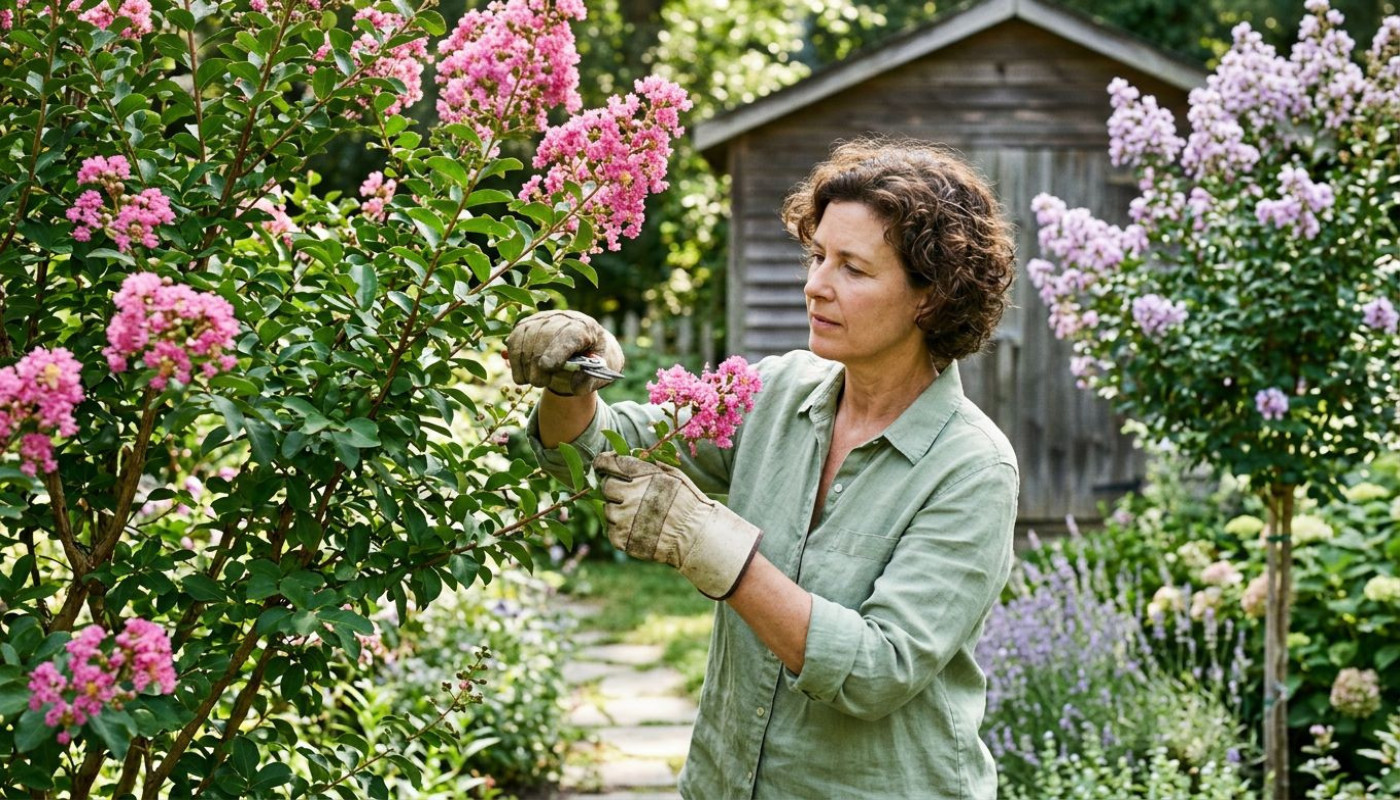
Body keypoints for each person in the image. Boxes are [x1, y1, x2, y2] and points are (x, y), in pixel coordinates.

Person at [508, 137, 1019, 799]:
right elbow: (597, 448)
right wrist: (569, 380)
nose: (816, 285)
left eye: (853, 269)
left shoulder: (971, 469)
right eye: (817, 256)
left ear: (931, 297)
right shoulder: (775, 393)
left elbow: (876, 670)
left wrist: (714, 549)